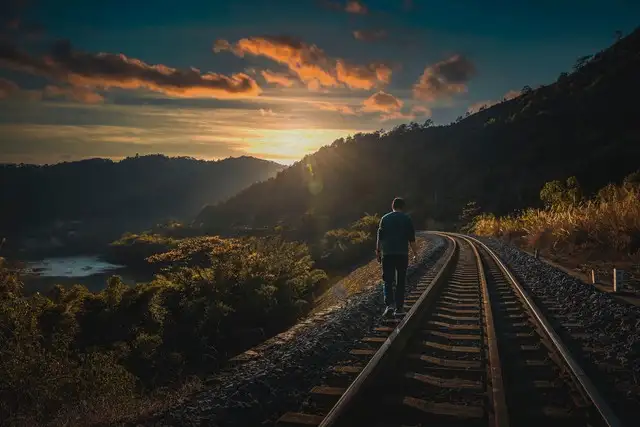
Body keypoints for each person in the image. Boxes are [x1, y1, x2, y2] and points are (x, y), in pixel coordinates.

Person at [376, 197, 418, 317]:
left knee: (388, 280)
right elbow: (412, 239)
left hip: (387, 254)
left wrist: (378, 252)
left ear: (392, 206)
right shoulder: (407, 219)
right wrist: (415, 254)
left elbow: (380, 238)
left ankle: (389, 305)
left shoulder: (384, 218)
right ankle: (399, 308)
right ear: (403, 207)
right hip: (402, 254)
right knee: (400, 281)